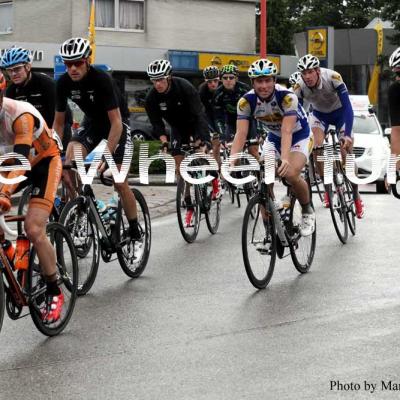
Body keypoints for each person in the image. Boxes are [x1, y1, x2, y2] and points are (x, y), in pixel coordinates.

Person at [53, 37, 142, 241]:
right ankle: (87, 203)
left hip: (116, 123)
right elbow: (58, 124)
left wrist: (106, 155)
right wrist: (54, 153)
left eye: (78, 63)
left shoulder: (102, 79)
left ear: (88, 60)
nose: (73, 68)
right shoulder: (63, 83)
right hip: (92, 123)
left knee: (119, 180)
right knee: (69, 159)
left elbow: (116, 123)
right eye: (68, 64)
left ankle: (135, 228)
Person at [0, 71, 64, 323]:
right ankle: (10, 248)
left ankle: (54, 288)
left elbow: (21, 160)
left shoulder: (19, 115)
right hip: (9, 166)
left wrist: (5, 192)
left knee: (34, 228)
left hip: (43, 162)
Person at [231, 58, 315, 237]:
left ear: (274, 81)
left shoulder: (287, 97)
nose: (264, 85)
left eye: (268, 80)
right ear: (252, 83)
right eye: (259, 81)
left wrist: (284, 159)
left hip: (300, 136)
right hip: (274, 138)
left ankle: (307, 210)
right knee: (264, 178)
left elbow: (287, 130)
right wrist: (232, 161)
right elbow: (240, 134)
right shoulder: (246, 102)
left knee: (291, 173)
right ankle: (270, 227)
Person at [294, 54, 364, 218]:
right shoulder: (298, 87)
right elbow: (296, 114)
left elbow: (348, 107)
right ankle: (328, 189)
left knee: (346, 152)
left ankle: (355, 195)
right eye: (304, 73)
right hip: (320, 116)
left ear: (318, 71)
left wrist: (346, 135)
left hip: (340, 114)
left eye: (310, 72)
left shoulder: (333, 77)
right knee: (317, 149)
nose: (307, 76)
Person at [144, 59, 211, 225]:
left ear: (169, 77)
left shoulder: (185, 87)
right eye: (154, 80)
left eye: (160, 79)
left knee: (200, 152)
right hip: (177, 128)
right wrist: (164, 142)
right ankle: (188, 201)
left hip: (194, 123)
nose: (157, 84)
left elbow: (200, 115)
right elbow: (157, 124)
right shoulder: (151, 97)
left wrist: (204, 140)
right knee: (179, 167)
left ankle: (206, 182)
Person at [0, 46, 73, 151]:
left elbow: (61, 120)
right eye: (9, 71)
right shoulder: (11, 90)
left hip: (56, 128)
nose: (13, 74)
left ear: (28, 67)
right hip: (30, 133)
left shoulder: (46, 84)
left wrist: (56, 147)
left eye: (17, 69)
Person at [198, 65, 222, 169]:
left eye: (215, 81)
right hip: (209, 115)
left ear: (219, 79)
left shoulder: (224, 86)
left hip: (222, 114)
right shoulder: (202, 90)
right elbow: (201, 112)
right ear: (205, 81)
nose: (213, 84)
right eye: (209, 82)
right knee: (215, 143)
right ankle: (217, 168)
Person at [388, 47, 400, 172]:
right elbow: (397, 131)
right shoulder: (395, 89)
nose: (398, 78)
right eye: (397, 73)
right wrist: (392, 168)